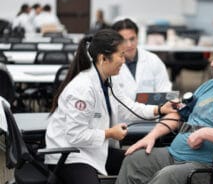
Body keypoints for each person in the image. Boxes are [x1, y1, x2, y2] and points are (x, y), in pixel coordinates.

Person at [115, 37, 213, 184]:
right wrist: (151, 136)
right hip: (174, 153)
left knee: (168, 177)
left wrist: (205, 133)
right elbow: (179, 113)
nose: (212, 63)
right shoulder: (211, 85)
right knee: (134, 160)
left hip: (210, 166)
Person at [44, 29, 177, 184]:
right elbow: (75, 135)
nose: (124, 60)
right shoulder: (83, 88)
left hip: (91, 149)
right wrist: (109, 133)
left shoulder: (108, 82)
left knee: (139, 164)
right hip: (68, 155)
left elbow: (128, 107)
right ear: (103, 58)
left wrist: (160, 109)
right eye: (120, 55)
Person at [111, 18, 172, 103]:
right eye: (124, 41)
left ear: (137, 37)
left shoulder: (153, 60)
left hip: (152, 114)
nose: (129, 45)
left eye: (132, 39)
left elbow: (166, 93)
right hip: (121, 115)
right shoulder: (110, 65)